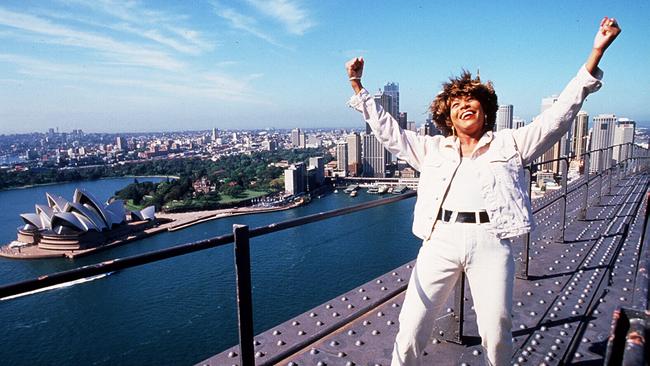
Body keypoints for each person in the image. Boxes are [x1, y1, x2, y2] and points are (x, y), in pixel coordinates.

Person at [345, 17, 621, 366]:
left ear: (486, 110)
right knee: (412, 323)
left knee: (497, 327)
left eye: (472, 101)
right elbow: (389, 132)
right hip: (440, 238)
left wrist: (596, 53)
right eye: (456, 103)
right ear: (447, 114)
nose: (464, 106)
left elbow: (558, 118)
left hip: (492, 239)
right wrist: (357, 86)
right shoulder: (431, 149)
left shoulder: (511, 143)